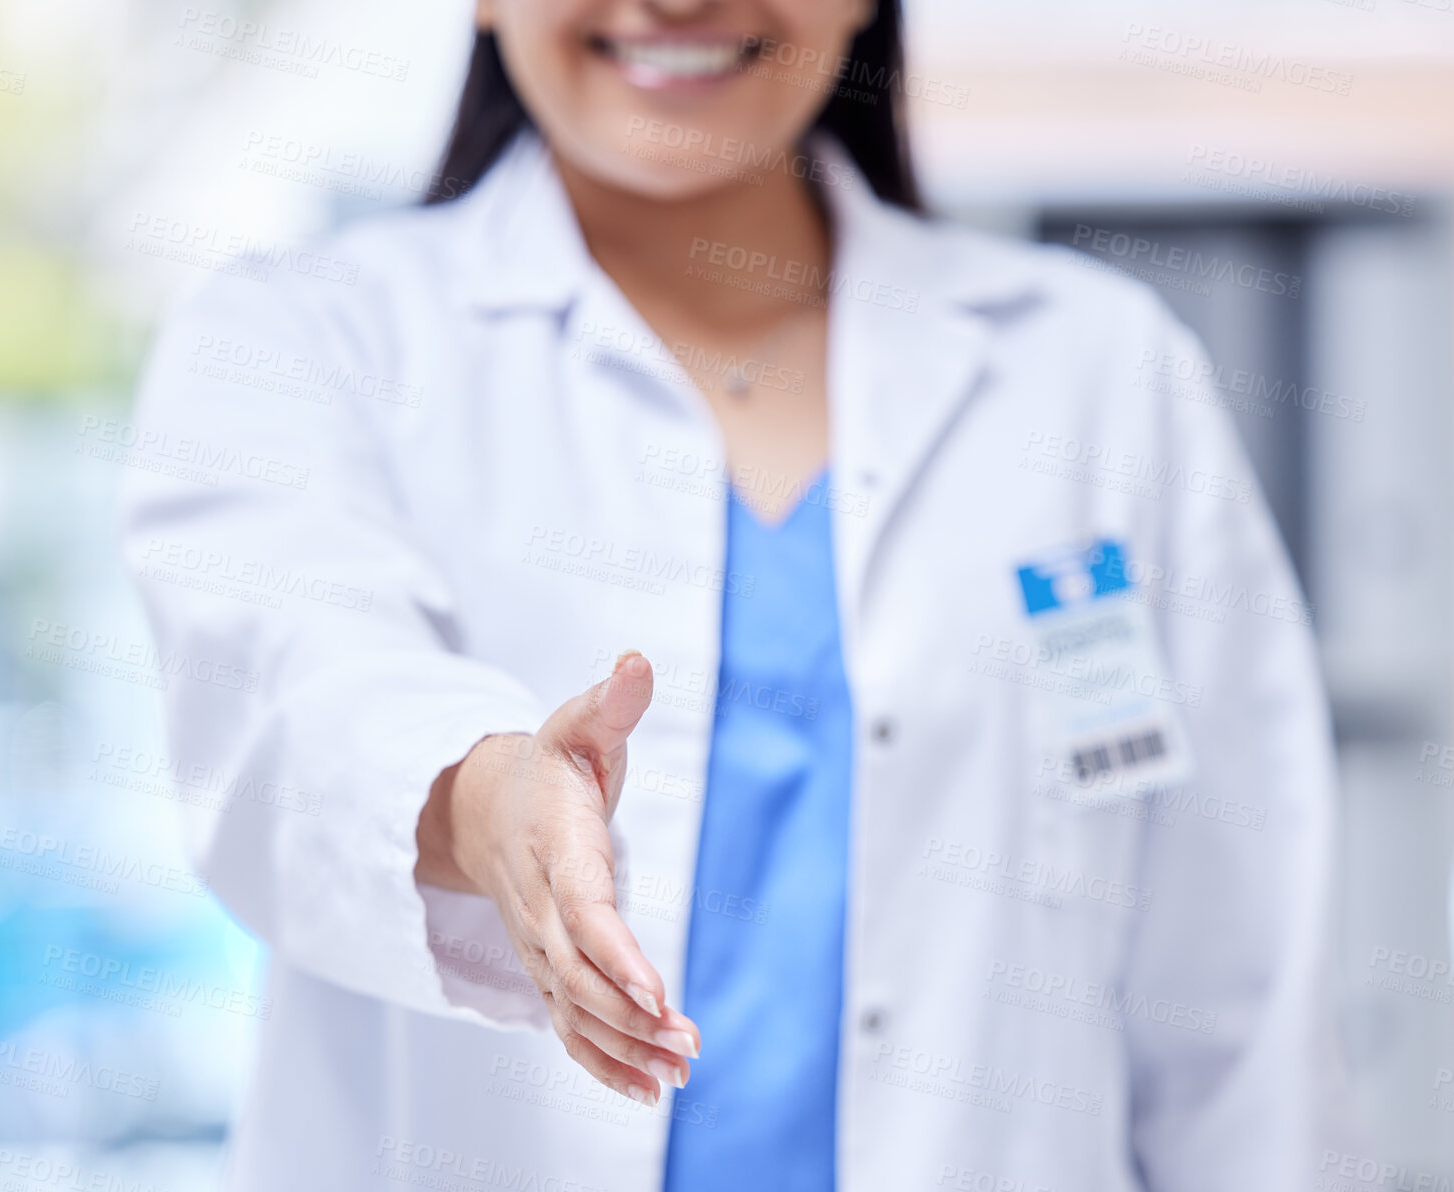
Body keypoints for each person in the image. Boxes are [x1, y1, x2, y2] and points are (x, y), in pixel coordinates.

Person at [121, 0, 1345, 1188]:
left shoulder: (1096, 372)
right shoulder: (303, 340)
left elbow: (1237, 981)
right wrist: (491, 804)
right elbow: (299, 704)